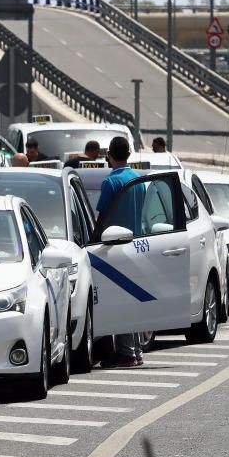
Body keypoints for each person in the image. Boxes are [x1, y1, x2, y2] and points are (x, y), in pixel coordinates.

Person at [96, 136, 146, 368]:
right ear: (129, 154)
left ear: (109, 155)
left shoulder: (111, 182)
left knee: (121, 300)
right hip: (138, 245)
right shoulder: (138, 179)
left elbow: (102, 216)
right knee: (134, 300)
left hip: (115, 246)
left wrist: (93, 239)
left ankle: (126, 353)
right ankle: (135, 351)